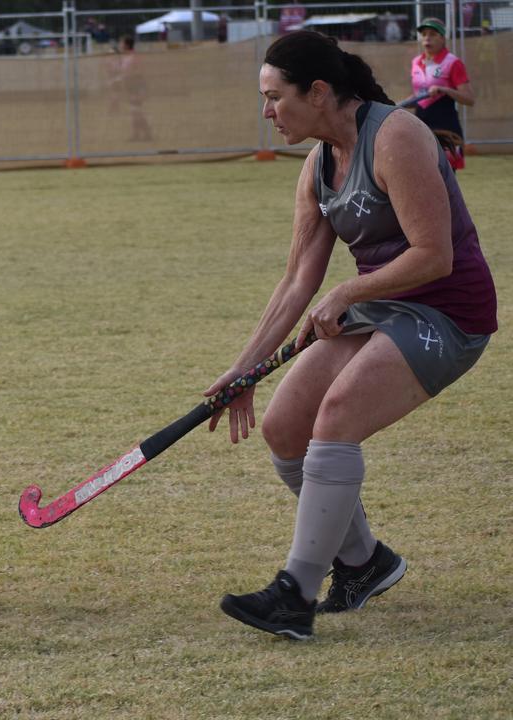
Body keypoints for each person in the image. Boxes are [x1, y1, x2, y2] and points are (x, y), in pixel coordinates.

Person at [210, 30, 496, 640]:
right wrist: (242, 368)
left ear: (317, 92)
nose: (266, 113)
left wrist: (346, 292)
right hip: (381, 309)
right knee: (285, 428)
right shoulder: (317, 167)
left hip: (448, 313)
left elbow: (434, 255)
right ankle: (367, 563)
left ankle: (295, 594)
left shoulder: (395, 135)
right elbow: (295, 285)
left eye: (274, 97)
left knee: (335, 415)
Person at [409, 17, 475, 170]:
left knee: (446, 178)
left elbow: (469, 99)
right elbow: (419, 97)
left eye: (432, 34)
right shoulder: (416, 62)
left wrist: (444, 90)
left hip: (445, 127)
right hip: (421, 126)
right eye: (424, 34)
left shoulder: (453, 63)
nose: (427, 38)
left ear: (443, 38)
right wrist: (394, 105)